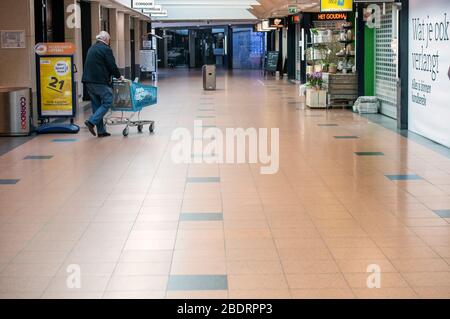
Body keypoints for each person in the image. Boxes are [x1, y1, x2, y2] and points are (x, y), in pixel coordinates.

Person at [82, 31, 124, 137]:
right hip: (99, 81)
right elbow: (112, 65)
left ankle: (101, 131)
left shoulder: (92, 48)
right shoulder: (106, 49)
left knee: (97, 105)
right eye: (109, 40)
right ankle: (91, 121)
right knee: (108, 100)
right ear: (106, 39)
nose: (109, 42)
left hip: (88, 81)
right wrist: (119, 76)